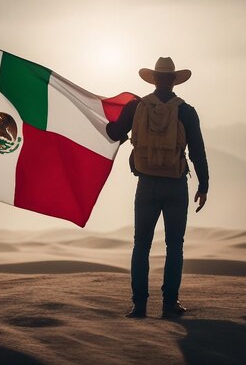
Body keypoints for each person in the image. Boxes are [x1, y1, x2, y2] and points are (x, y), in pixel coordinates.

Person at [106, 57, 209, 319]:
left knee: (141, 245)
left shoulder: (135, 107)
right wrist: (204, 185)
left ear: (153, 79)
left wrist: (104, 120)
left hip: (147, 184)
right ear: (174, 80)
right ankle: (169, 304)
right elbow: (197, 151)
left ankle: (139, 306)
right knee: (175, 245)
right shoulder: (186, 111)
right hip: (176, 184)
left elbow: (115, 133)